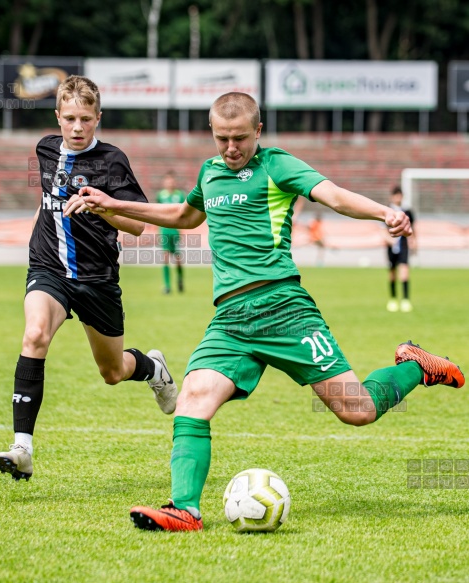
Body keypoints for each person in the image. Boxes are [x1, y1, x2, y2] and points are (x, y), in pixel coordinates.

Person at [65, 92, 465, 532]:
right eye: (222, 139)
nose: (231, 148)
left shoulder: (277, 165)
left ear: (257, 131)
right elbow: (183, 215)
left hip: (284, 310)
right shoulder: (211, 173)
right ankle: (185, 510)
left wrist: (384, 212)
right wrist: (113, 204)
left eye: (239, 138)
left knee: (358, 410)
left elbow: (332, 195)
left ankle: (414, 365)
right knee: (194, 397)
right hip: (231, 320)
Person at [0, 75, 178, 483]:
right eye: (70, 118)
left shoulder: (113, 161)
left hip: (97, 279)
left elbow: (136, 227)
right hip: (48, 270)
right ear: (57, 116)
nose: (77, 128)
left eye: (86, 119)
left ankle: (152, 368)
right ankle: (22, 446)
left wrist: (102, 208)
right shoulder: (44, 150)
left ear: (99, 118)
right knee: (35, 335)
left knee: (112, 372)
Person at [385, 186, 416, 312]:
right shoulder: (387, 211)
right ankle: (393, 299)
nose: (398, 198)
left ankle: (405, 300)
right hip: (391, 246)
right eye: (396, 195)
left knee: (404, 271)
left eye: (400, 195)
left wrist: (414, 241)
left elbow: (413, 228)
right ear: (392, 197)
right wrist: (390, 240)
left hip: (403, 245)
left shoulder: (407, 212)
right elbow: (382, 230)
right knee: (392, 273)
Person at [156, 170, 186, 294]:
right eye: (167, 181)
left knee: (178, 259)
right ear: (164, 182)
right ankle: (167, 286)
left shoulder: (180, 195)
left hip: (175, 231)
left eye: (172, 181)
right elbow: (156, 212)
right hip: (164, 231)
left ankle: (180, 280)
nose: (170, 183)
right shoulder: (160, 196)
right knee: (165, 257)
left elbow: (184, 214)